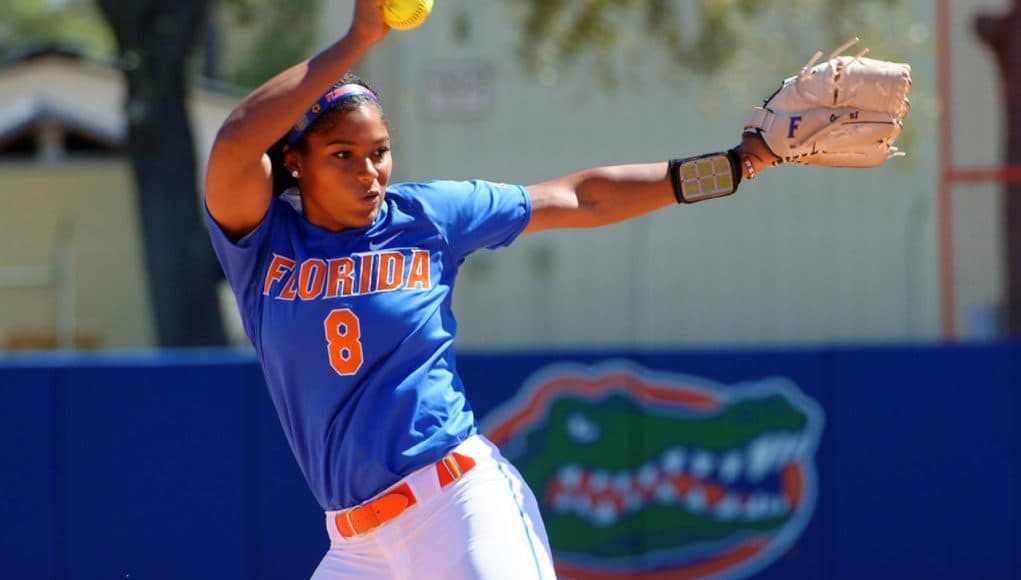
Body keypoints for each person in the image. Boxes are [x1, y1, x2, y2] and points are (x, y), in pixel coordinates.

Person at [204, 1, 779, 578]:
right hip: (356, 547)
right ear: (295, 162)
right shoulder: (263, 243)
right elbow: (234, 142)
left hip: (456, 505)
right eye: (342, 155)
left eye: (379, 151)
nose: (369, 171)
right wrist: (357, 41)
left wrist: (733, 167)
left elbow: (583, 197)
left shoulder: (428, 215)